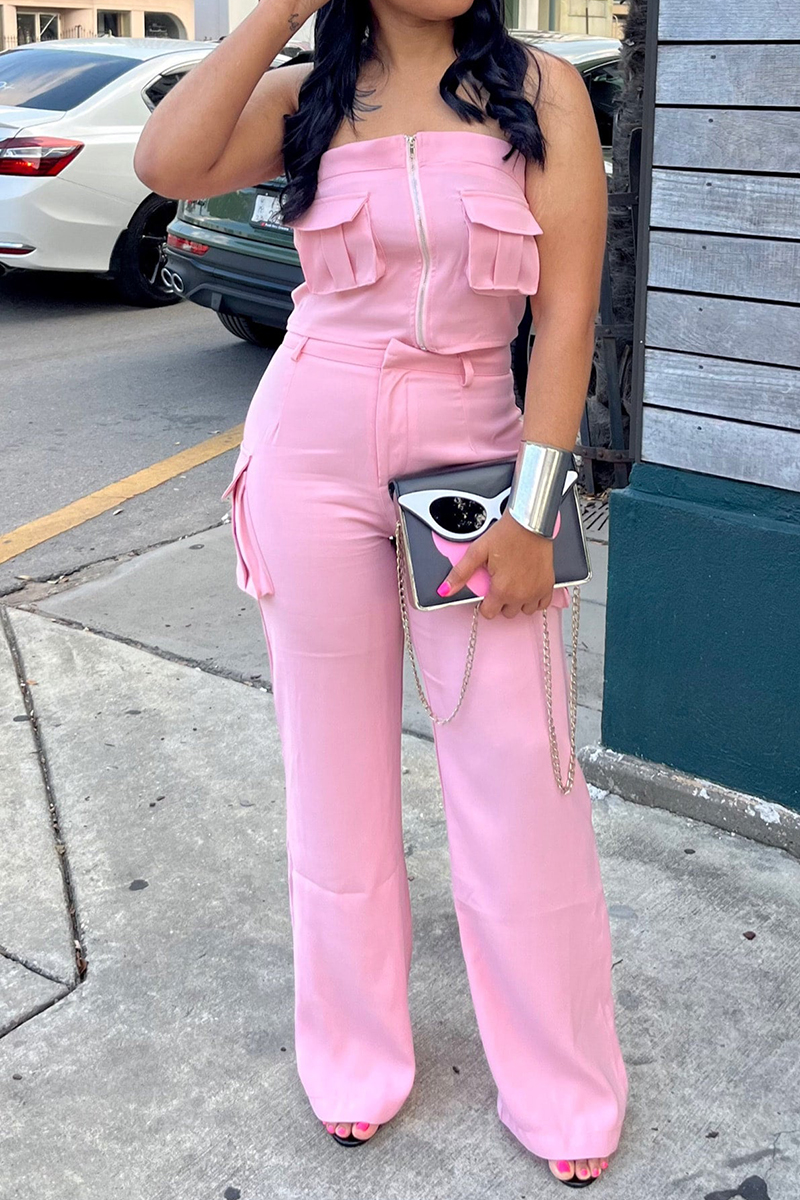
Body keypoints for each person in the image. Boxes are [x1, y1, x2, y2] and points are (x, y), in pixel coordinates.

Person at [134, 0, 628, 1186]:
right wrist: (276, 12)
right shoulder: (305, 96)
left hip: (477, 450)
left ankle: (560, 1084)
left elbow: (565, 314)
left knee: (521, 776)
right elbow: (167, 162)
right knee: (333, 775)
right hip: (310, 446)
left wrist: (533, 509)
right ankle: (353, 1056)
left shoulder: (540, 90)